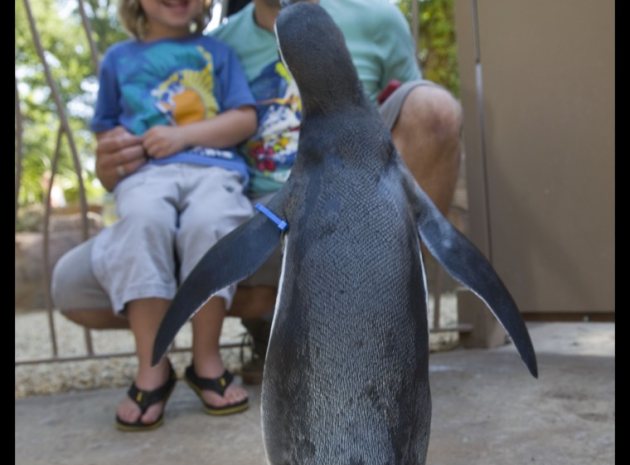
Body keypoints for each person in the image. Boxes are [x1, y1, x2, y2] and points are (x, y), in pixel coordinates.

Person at [52, 0, 462, 389]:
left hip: (348, 213)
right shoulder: (216, 45)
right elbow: (172, 145)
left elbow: (416, 131)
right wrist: (112, 168)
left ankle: (383, 332)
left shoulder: (376, 17)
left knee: (433, 108)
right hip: (259, 217)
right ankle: (286, 330)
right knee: (75, 287)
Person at [56, 0, 259, 431]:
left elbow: (243, 119)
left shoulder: (217, 53)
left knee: (212, 226)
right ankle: (153, 365)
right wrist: (118, 151)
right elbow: (106, 128)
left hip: (215, 169)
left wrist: (182, 134)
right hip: (146, 175)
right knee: (142, 224)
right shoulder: (118, 59)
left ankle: (206, 360)